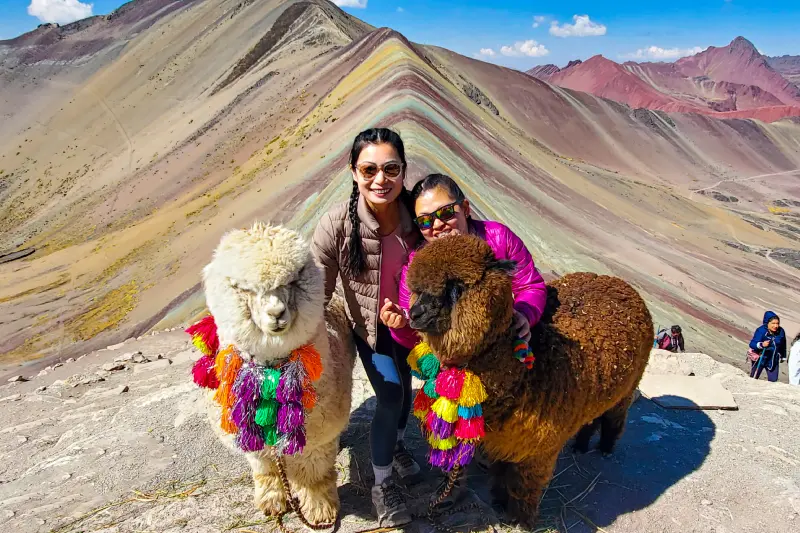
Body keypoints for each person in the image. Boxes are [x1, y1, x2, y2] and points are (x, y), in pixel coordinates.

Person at [311, 128, 421, 527]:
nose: (381, 179)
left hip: (418, 329)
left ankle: (399, 442)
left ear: (404, 170)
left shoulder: (420, 218)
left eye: (391, 168)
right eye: (369, 169)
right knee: (390, 396)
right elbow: (316, 294)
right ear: (354, 172)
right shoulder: (336, 225)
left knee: (407, 389)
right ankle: (382, 483)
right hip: (372, 333)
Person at [381, 173, 547, 351]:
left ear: (465, 208)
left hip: (502, 338)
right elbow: (415, 330)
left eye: (446, 212)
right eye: (425, 221)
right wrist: (400, 325)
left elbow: (530, 285)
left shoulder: (499, 239)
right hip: (458, 353)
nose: (437, 224)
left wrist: (524, 314)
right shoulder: (418, 266)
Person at [748, 311, 787, 382]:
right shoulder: (761, 331)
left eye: (777, 323)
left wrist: (783, 356)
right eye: (773, 323)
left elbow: (783, 344)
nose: (776, 326)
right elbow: (752, 344)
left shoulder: (781, 331)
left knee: (773, 381)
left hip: (773, 359)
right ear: (767, 323)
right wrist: (761, 344)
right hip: (760, 358)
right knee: (753, 378)